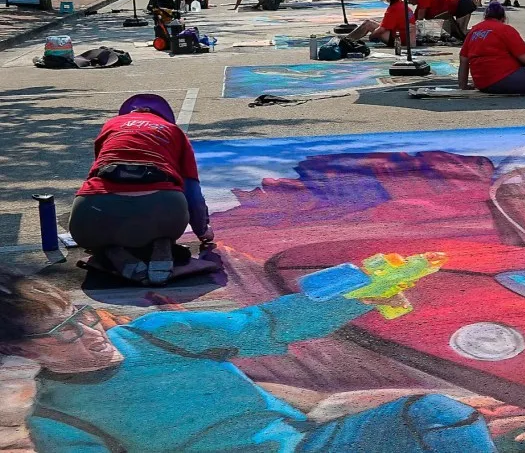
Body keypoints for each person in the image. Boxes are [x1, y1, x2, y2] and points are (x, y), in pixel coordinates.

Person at [0, 270, 496, 452]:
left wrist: (367, 291)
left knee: (438, 414)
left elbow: (267, 325)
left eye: (82, 315)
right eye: (63, 333)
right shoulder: (58, 424)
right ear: (24, 352)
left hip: (309, 447)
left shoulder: (158, 335)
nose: (89, 333)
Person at [67, 95, 212, 286]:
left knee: (96, 233)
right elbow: (192, 192)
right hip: (165, 212)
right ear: (164, 116)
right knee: (161, 221)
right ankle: (162, 242)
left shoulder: (111, 126)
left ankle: (110, 250)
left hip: (93, 215)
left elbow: (96, 174)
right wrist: (203, 232)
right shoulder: (174, 131)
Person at [347, 0, 417, 51]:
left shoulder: (393, 9)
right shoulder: (402, 5)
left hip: (399, 39)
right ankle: (348, 39)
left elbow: (382, 29)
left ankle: (347, 41)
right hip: (406, 37)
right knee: (371, 23)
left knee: (367, 24)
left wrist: (372, 36)